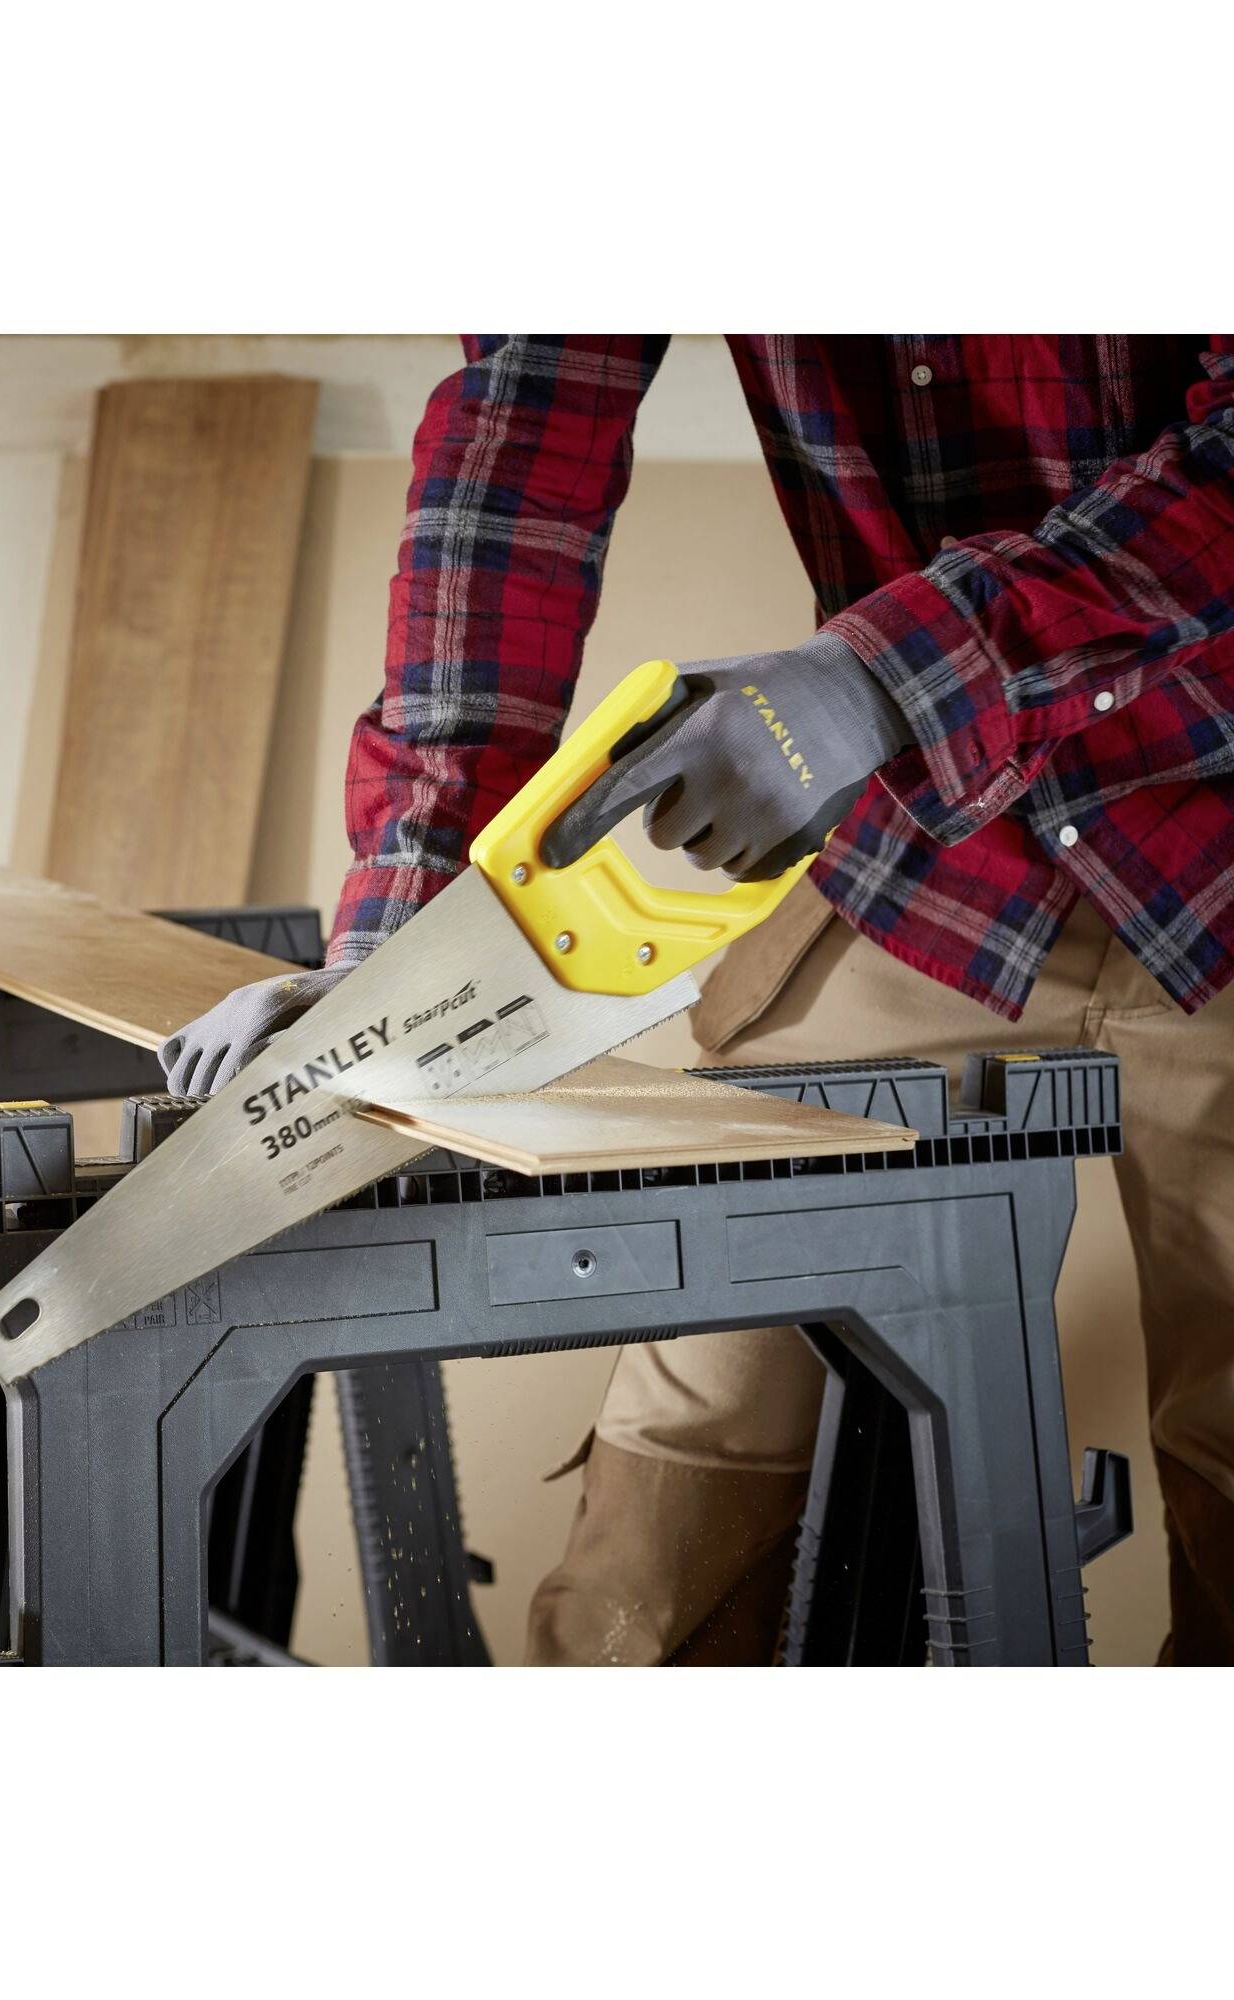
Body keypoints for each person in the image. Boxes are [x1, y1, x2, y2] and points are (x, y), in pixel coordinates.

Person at [161, 336, 1234, 1665]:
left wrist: (884, 682)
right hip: (941, 865)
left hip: (1210, 840)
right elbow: (514, 466)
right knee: (682, 1491)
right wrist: (404, 941)